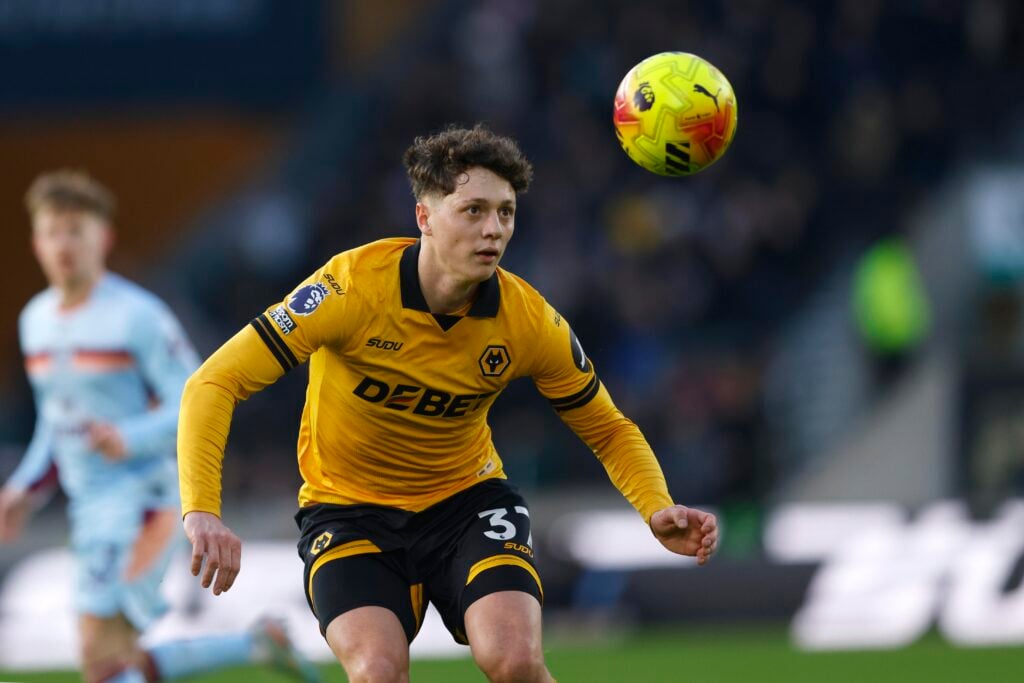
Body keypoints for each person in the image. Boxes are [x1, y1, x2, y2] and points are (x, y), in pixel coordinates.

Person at [178, 125, 719, 683]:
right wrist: (202, 510)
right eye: (473, 210)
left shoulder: (528, 321)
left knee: (515, 662)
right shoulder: (349, 290)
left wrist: (655, 505)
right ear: (425, 218)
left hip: (467, 506)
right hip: (348, 512)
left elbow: (606, 426)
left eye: (506, 213)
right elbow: (213, 383)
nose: (493, 230)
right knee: (377, 672)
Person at [0, 170, 319, 683]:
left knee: (100, 657)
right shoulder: (35, 320)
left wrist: (129, 437)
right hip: (90, 508)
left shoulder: (138, 317)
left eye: (75, 231)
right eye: (51, 232)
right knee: (112, 660)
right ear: (36, 241)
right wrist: (23, 489)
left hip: (142, 502)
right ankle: (256, 644)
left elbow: (195, 396)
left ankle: (255, 643)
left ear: (103, 238)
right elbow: (55, 422)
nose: (63, 245)